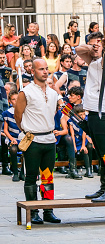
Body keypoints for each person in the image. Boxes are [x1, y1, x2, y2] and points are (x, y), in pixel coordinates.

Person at [14, 58, 61, 224]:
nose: (45, 71)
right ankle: (33, 211)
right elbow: (17, 116)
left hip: (49, 138)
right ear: (32, 71)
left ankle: (48, 210)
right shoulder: (25, 92)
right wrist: (27, 130)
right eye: (41, 69)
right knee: (31, 176)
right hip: (33, 139)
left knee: (48, 177)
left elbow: (54, 112)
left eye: (46, 69)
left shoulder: (54, 93)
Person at [76, 31, 105, 202]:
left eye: (98, 43)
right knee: (102, 152)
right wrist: (93, 47)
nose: (95, 46)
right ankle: (104, 188)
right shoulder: (93, 60)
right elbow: (79, 50)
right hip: (94, 112)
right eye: (92, 43)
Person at [69, 104, 94, 178]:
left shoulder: (85, 120)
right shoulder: (71, 121)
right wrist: (74, 146)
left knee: (85, 150)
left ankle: (89, 170)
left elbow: (84, 133)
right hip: (75, 140)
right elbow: (72, 135)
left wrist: (83, 145)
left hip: (83, 140)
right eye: (80, 114)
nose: (83, 116)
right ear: (76, 115)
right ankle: (73, 170)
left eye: (84, 114)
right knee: (73, 151)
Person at [4, 91, 24, 181]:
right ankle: (15, 172)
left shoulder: (24, 112)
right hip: (12, 138)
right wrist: (11, 139)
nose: (16, 101)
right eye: (13, 99)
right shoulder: (7, 113)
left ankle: (23, 172)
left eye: (17, 99)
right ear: (9, 101)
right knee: (13, 149)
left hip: (23, 137)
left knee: (28, 149)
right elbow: (5, 130)